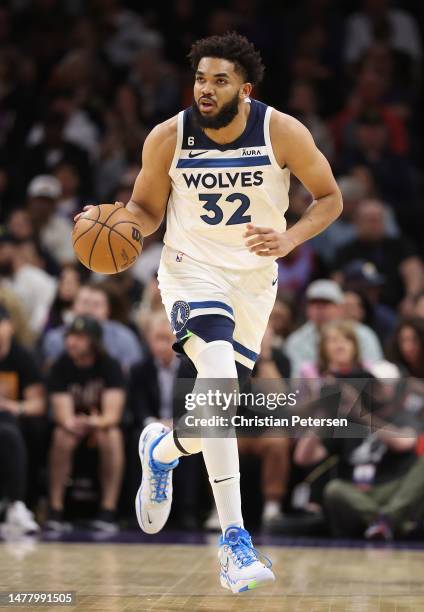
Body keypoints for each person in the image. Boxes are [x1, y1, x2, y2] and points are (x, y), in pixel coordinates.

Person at [76, 33, 342, 593]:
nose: (205, 88)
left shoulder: (282, 131)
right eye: (200, 78)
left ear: (244, 88)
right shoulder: (167, 138)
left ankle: (163, 447)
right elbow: (146, 210)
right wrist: (119, 226)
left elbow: (330, 199)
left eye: (219, 80)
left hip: (253, 282)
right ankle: (236, 542)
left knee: (216, 411)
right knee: (217, 377)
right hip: (190, 270)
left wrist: (290, 239)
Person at [46, 315, 126, 533]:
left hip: (99, 424)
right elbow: (63, 415)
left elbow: (112, 415)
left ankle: (108, 510)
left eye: (79, 337)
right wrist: (76, 422)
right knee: (61, 435)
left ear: (94, 341)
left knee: (112, 436)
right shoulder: (61, 365)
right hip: (74, 425)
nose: (72, 342)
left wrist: (93, 422)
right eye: (70, 336)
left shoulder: (109, 365)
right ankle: (55, 508)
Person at [0, 305, 45, 534]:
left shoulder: (22, 356)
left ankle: (17, 505)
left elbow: (38, 403)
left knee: (10, 430)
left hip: (12, 422)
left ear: (10, 327)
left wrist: (14, 407)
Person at [285, 279, 383, 378]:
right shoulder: (295, 340)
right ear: (306, 309)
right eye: (314, 303)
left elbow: (375, 373)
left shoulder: (364, 334)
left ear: (340, 307)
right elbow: (296, 381)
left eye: (326, 303)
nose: (320, 309)